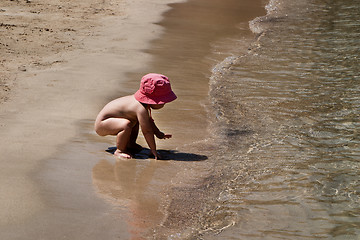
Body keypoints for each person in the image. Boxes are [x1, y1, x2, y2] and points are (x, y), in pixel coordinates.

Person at [94, 73, 177, 160]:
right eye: (163, 101)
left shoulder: (142, 105)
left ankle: (130, 144)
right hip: (102, 125)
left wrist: (159, 133)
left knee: (135, 120)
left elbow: (148, 122)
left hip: (110, 122)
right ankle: (120, 150)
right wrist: (153, 150)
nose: (164, 104)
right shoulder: (140, 108)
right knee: (126, 124)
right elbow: (147, 131)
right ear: (153, 100)